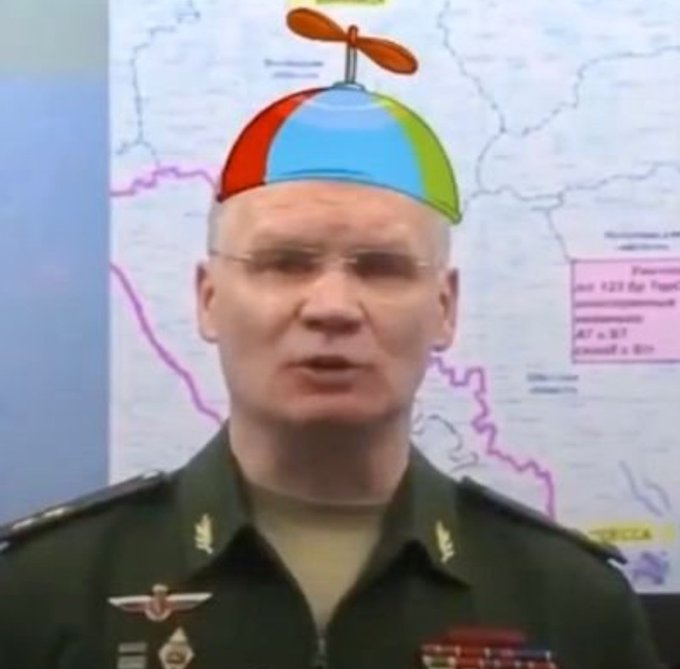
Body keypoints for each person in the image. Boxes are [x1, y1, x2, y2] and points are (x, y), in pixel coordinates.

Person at [0, 9, 661, 669]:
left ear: (445, 307)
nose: (332, 307)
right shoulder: (44, 592)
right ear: (208, 299)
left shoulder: (573, 603)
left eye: (381, 267)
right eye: (284, 263)